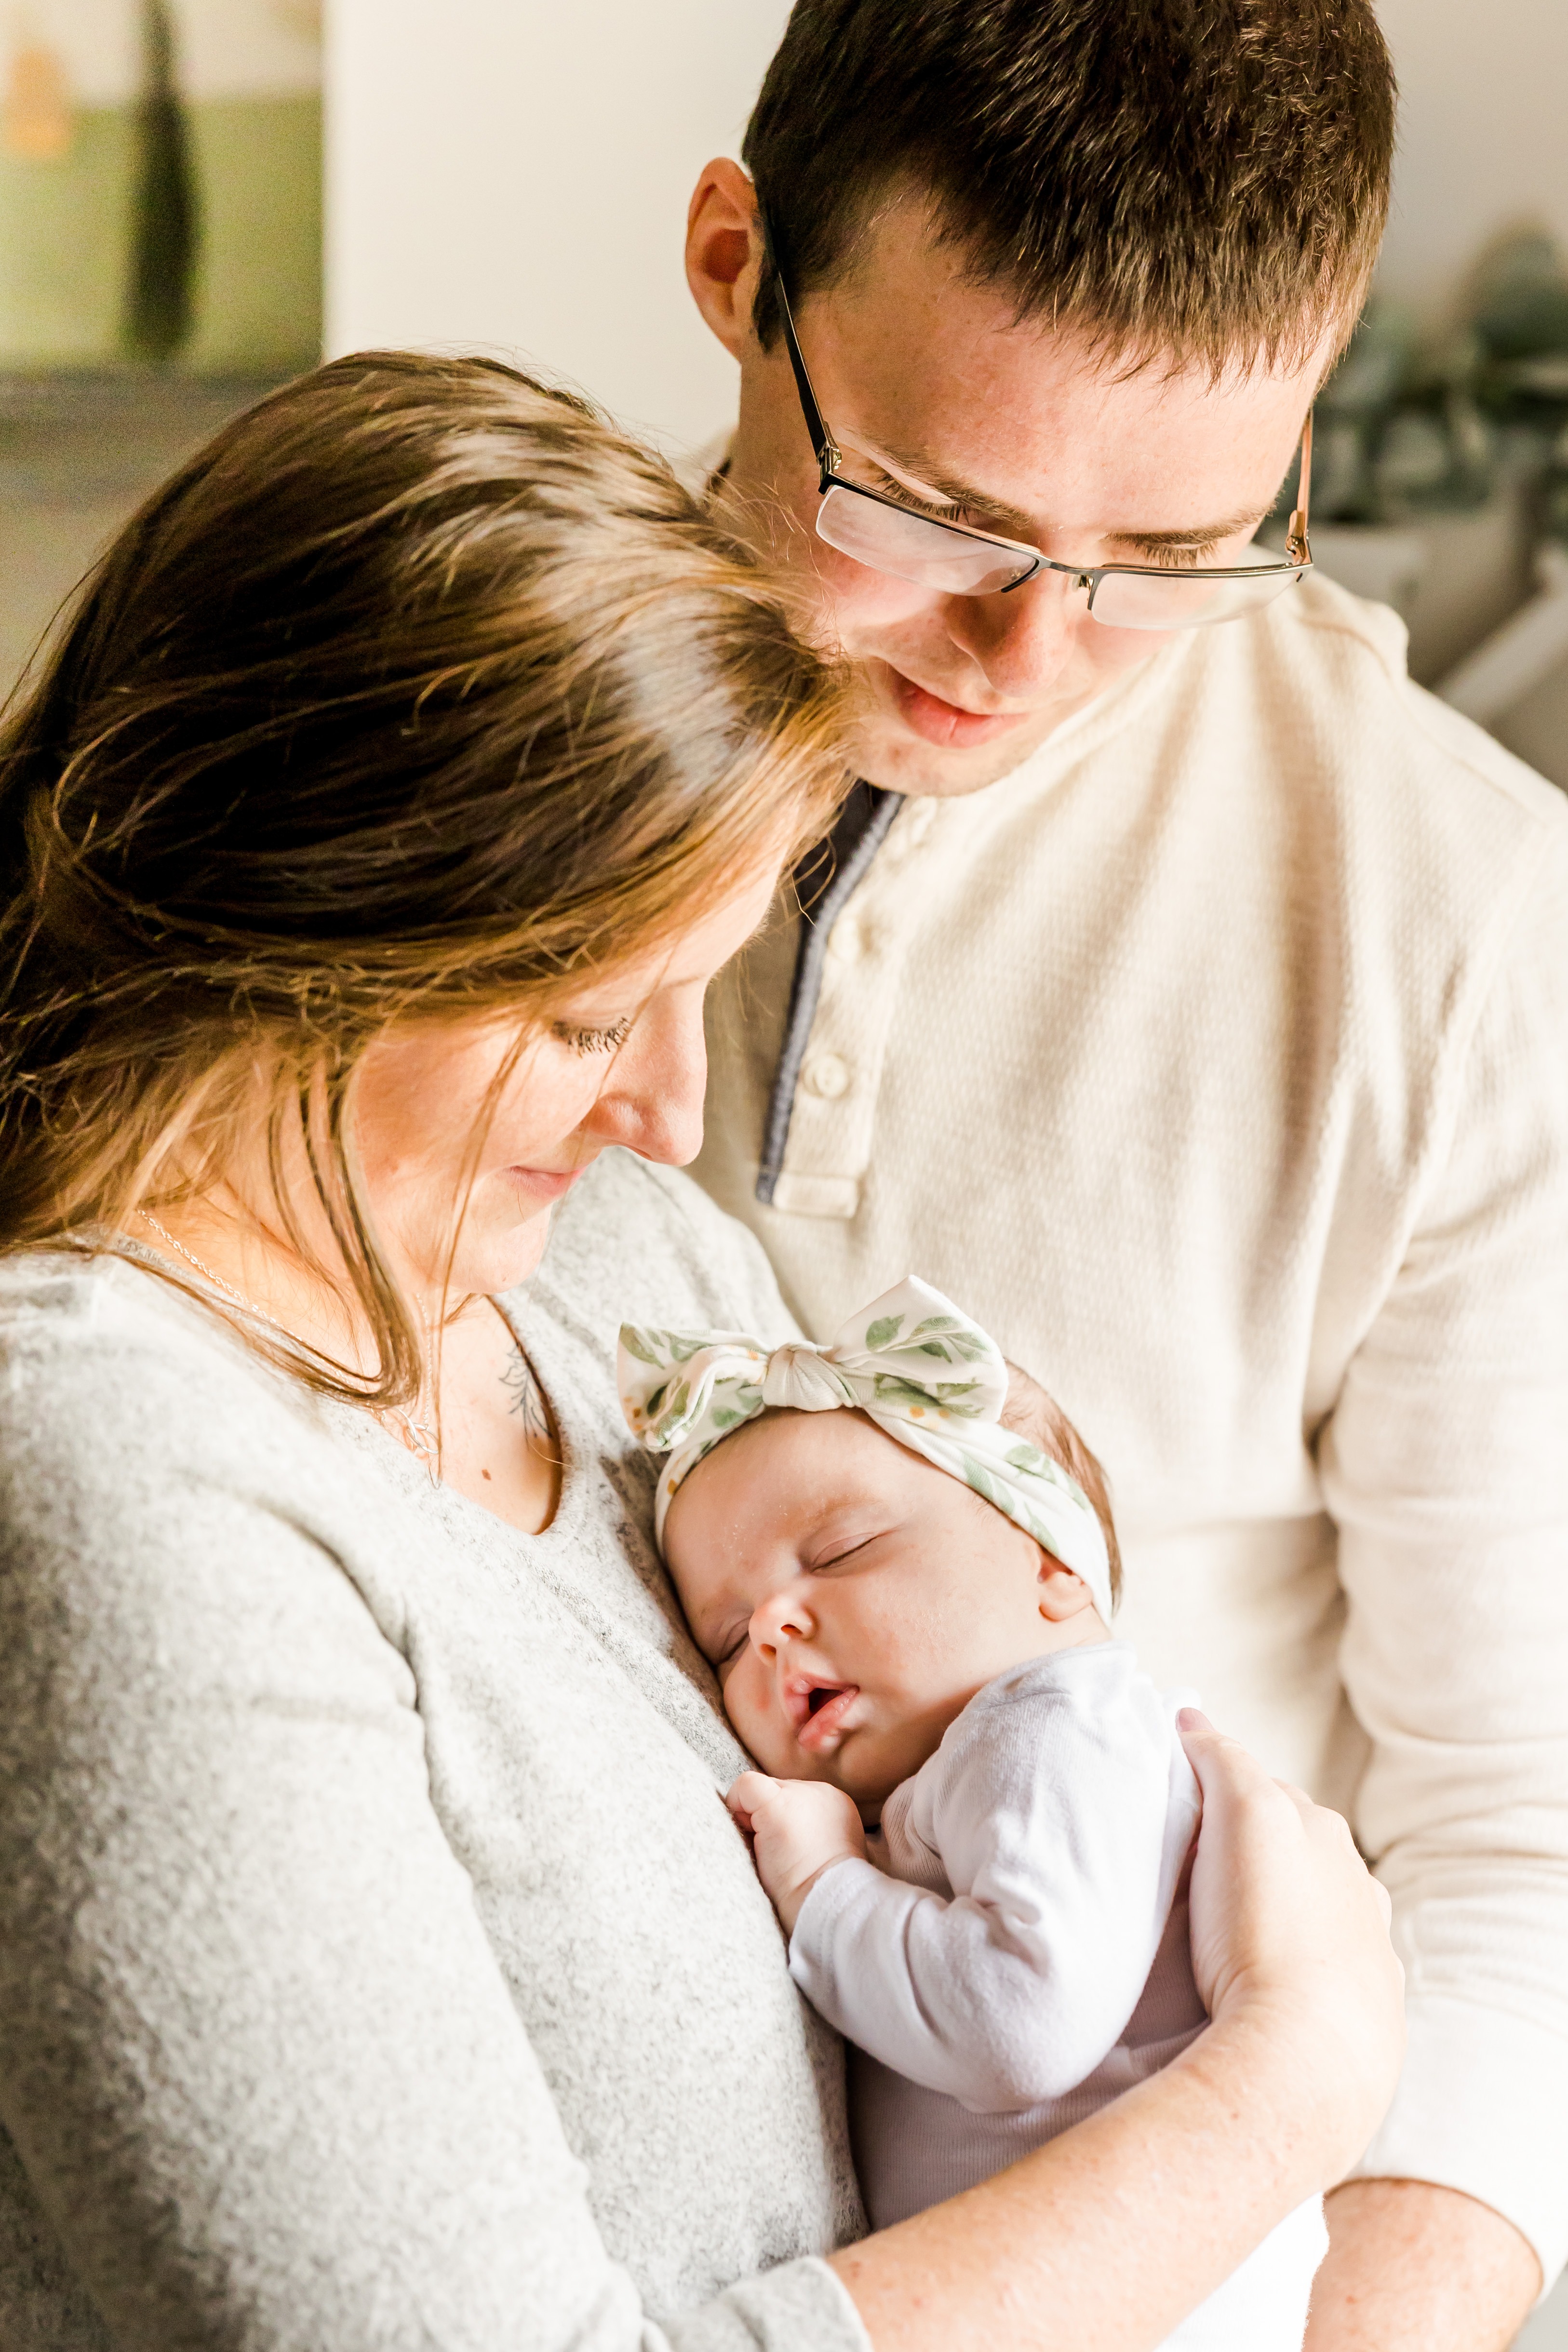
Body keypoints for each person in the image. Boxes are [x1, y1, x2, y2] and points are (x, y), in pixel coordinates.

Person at [0, 351, 1401, 2351]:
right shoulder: (110, 1473)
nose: (669, 1107)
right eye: (587, 1021)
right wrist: (1277, 2094)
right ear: (301, 936)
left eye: (700, 993)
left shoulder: (623, 1272)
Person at [682, 5, 1568, 2346]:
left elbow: (1522, 1849)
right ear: (728, 260)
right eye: (938, 510)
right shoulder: (461, 727)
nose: (1031, 653)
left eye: (1174, 550)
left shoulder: (1458, 924)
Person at [621, 1273, 1327, 2349]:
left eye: (841, 1550)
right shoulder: (983, 1766)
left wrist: (824, 1887)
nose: (770, 1623)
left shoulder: (1048, 1724)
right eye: (723, 1638)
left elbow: (1018, 2021)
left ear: (1050, 1558)